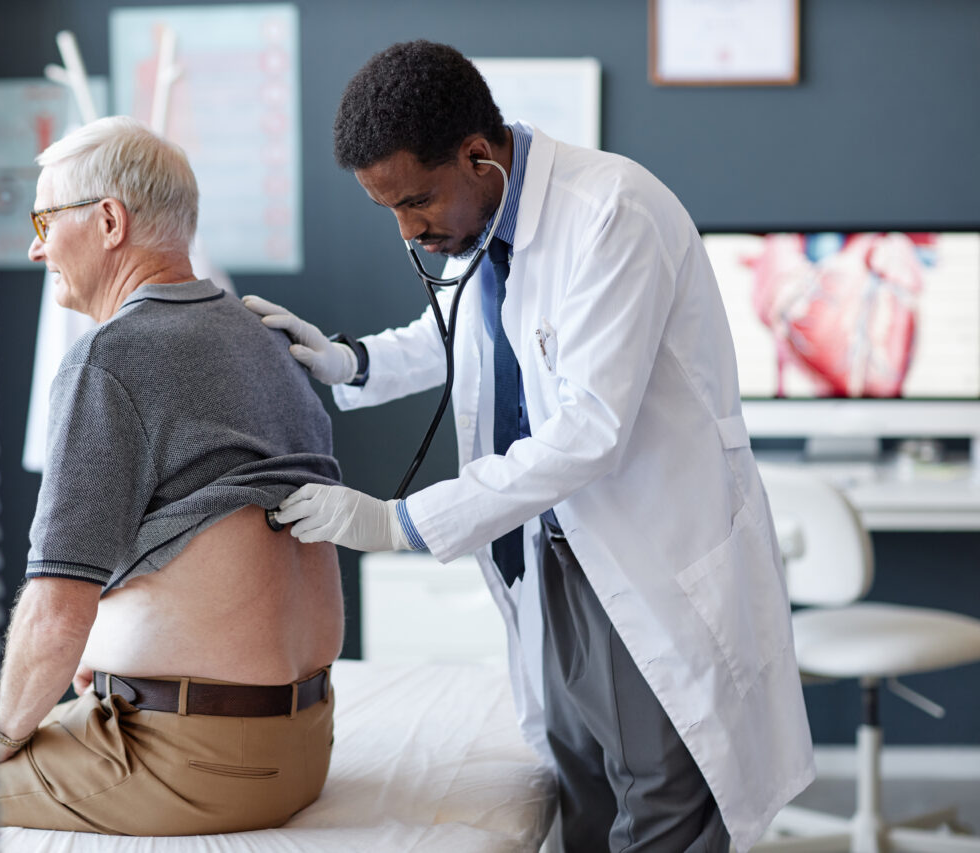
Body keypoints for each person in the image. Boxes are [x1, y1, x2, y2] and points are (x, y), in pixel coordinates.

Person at [245, 41, 814, 852]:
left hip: (648, 552)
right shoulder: (485, 222)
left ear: (480, 156)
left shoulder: (612, 214)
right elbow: (472, 338)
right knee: (577, 787)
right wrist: (351, 361)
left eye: (417, 201)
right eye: (391, 211)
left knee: (662, 811)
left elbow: (589, 429)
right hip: (556, 555)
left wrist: (398, 522)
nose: (409, 229)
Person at [0, 116, 344, 850]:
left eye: (45, 219)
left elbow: (54, 611)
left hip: (192, 759)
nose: (35, 245)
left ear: (109, 220)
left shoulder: (110, 358)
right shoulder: (267, 340)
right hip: (305, 740)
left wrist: (0, 728)